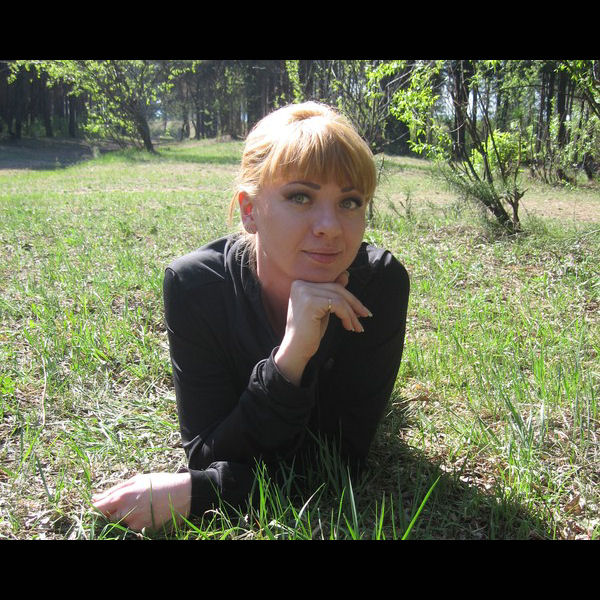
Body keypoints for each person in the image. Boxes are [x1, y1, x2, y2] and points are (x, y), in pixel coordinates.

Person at [91, 101, 410, 532]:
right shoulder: (196, 288)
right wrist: (290, 359)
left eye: (350, 202)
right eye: (301, 197)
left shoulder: (378, 286)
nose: (331, 226)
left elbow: (336, 467)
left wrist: (198, 494)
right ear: (249, 210)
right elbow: (206, 452)